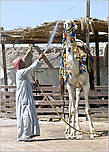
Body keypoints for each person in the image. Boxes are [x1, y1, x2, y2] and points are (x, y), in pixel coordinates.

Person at [13, 53, 44, 141]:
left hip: (26, 97)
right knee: (26, 115)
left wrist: (33, 84)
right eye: (22, 62)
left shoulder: (23, 74)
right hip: (24, 98)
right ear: (19, 65)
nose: (23, 62)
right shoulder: (20, 72)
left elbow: (26, 84)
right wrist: (38, 59)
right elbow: (31, 68)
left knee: (28, 114)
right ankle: (25, 135)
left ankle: (28, 133)